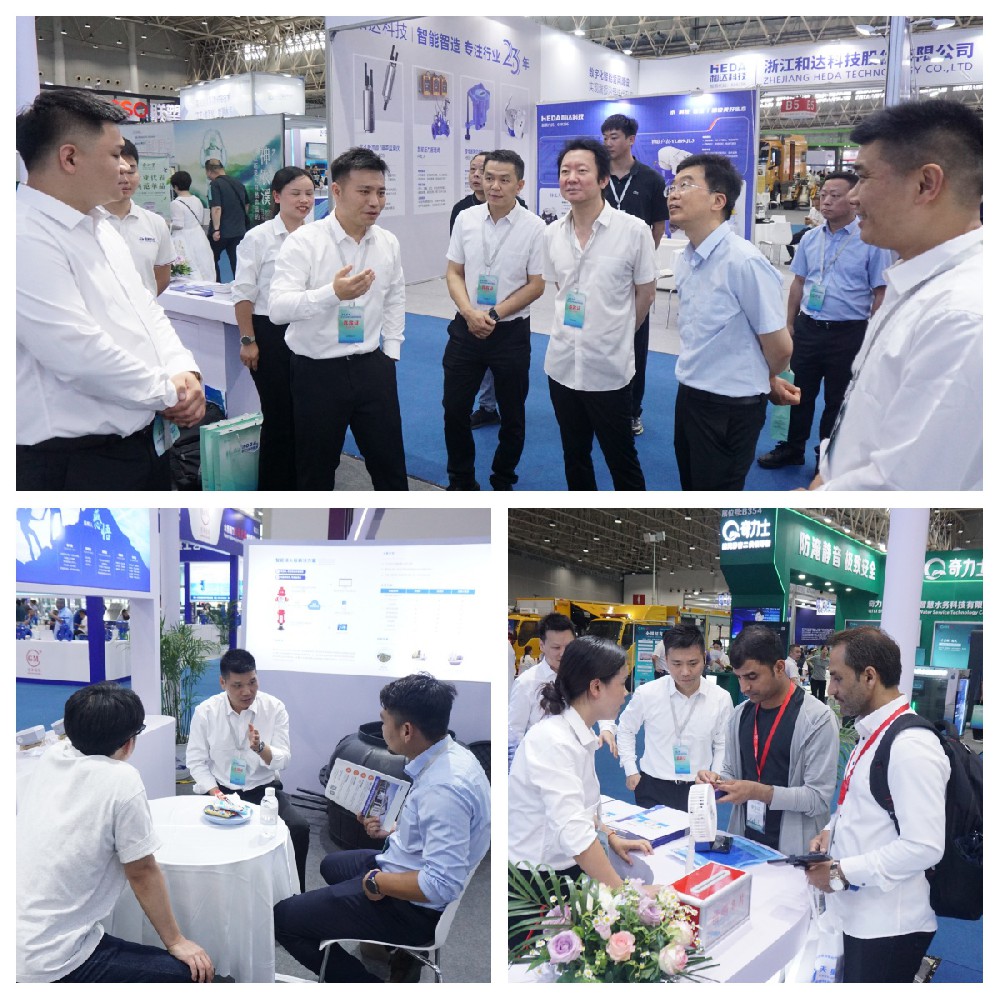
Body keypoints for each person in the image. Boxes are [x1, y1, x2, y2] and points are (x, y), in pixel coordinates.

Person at [16, 90, 205, 489]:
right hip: (72, 461)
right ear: (70, 158)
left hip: (139, 441)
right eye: (115, 154)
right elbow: (76, 352)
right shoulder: (23, 235)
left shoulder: (100, 227)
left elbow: (146, 311)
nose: (124, 168)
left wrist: (182, 369)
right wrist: (167, 393)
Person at [273, 673, 490, 982]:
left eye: (384, 720)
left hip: (414, 909)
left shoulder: (444, 790)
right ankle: (385, 947)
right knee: (331, 865)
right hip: (405, 865)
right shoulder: (452, 755)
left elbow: (441, 884)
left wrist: (378, 882)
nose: (382, 727)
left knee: (282, 920)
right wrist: (393, 830)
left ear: (406, 730)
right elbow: (436, 831)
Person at [811, 100, 982, 490]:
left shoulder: (962, 315)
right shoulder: (919, 281)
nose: (853, 198)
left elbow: (906, 483)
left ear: (926, 184)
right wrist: (827, 472)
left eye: (864, 178)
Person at [17, 682, 214, 983]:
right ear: (129, 743)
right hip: (48, 959)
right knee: (190, 975)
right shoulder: (122, 779)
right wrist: (176, 941)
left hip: (16, 937)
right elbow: (142, 872)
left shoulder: (52, 757)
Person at [804, 628, 949, 983]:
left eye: (838, 677)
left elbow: (925, 846)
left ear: (869, 676)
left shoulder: (910, 746)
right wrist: (831, 830)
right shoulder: (875, 733)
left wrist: (840, 873)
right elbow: (862, 803)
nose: (831, 689)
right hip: (859, 913)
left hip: (888, 926)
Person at [270, 146, 408, 490]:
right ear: (337, 191)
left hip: (372, 367)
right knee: (315, 471)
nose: (374, 202)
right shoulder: (304, 242)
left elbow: (395, 295)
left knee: (390, 466)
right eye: (364, 191)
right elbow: (278, 309)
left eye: (381, 192)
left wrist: (391, 350)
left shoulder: (387, 242)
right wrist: (333, 293)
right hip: (317, 372)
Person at [508, 636, 653, 945]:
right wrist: (625, 894)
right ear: (596, 687)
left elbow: (579, 809)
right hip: (536, 885)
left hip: (564, 872)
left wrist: (610, 836)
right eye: (622, 683)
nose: (626, 693)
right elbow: (574, 831)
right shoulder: (552, 740)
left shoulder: (576, 734)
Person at [668, 153, 799, 490]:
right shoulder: (687, 258)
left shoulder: (743, 262)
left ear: (718, 201)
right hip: (690, 395)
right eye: (673, 186)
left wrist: (764, 379)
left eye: (686, 185)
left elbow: (780, 348)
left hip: (730, 408)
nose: (673, 194)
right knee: (691, 489)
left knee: (715, 499)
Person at [757, 171, 891, 475]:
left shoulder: (870, 241)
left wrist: (873, 336)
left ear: (854, 200)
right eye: (823, 194)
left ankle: (827, 457)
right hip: (808, 327)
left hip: (849, 332)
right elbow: (798, 282)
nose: (826, 201)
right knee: (796, 391)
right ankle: (791, 448)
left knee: (837, 399)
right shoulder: (810, 237)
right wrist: (789, 323)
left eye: (835, 195)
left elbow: (880, 293)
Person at [544, 138, 656, 490]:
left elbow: (645, 293)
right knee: (574, 456)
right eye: (565, 171)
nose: (571, 178)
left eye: (582, 170)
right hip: (562, 365)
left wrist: (618, 333)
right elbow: (561, 288)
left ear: (603, 179)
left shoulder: (633, 231)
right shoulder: (552, 233)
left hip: (608, 370)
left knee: (621, 459)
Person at [444, 149, 546, 491]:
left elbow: (536, 285)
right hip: (466, 327)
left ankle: (503, 479)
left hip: (510, 332)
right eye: (489, 178)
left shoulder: (535, 227)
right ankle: (461, 480)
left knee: (513, 414)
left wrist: (493, 313)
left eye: (504, 180)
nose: (494, 186)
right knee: (454, 409)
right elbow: (454, 272)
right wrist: (468, 312)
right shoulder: (466, 219)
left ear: (520, 184)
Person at [696, 624, 838, 855]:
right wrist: (717, 781)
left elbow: (817, 799)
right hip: (745, 841)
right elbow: (732, 772)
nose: (744, 687)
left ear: (779, 667)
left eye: (752, 676)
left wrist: (759, 792)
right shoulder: (739, 716)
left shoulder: (817, 719)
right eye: (739, 678)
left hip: (794, 850)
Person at [186, 648, 310, 893]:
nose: (247, 691)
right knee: (202, 834)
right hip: (220, 790)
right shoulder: (206, 712)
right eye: (238, 685)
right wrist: (214, 792)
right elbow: (196, 761)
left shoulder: (274, 708)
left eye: (252, 682)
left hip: (263, 790)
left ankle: (296, 896)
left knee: (298, 827)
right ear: (223, 683)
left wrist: (261, 748)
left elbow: (284, 759)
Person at [232, 166, 316, 490]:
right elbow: (244, 293)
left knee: (307, 414)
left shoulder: (317, 235)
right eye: (296, 193)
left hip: (308, 332)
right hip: (269, 333)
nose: (304, 200)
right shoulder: (258, 238)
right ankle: (274, 489)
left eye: (309, 193)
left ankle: (303, 485)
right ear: (277, 196)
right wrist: (248, 340)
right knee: (279, 415)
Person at [604, 624, 733, 812]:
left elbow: (723, 743)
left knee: (697, 832)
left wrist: (716, 774)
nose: (685, 672)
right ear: (666, 660)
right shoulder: (648, 693)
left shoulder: (720, 698)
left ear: (704, 659)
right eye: (677, 664)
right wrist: (630, 769)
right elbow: (626, 728)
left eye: (693, 663)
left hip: (698, 788)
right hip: (653, 785)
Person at [601, 113, 670, 437]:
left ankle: (631, 411)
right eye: (604, 137)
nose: (608, 143)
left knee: (634, 343)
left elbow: (658, 226)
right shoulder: (597, 176)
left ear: (631, 140)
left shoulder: (651, 179)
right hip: (601, 273)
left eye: (614, 137)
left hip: (635, 277)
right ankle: (600, 404)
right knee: (599, 339)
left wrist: (641, 263)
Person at [449, 153, 499, 430]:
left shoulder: (518, 209)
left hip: (504, 300)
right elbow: (457, 260)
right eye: (473, 169)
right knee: (470, 355)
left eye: (483, 171)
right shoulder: (461, 211)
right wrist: (465, 304)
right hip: (469, 297)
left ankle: (490, 405)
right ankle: (485, 405)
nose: (477, 175)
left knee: (497, 356)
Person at [102, 140, 176, 297]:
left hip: (144, 311)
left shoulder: (155, 223)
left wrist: (141, 303)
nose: (125, 179)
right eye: (118, 171)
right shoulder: (87, 221)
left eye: (131, 171)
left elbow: (162, 277)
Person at [507, 612, 576, 751]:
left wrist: (607, 729)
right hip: (541, 759)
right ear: (542, 645)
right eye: (556, 647)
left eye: (568, 646)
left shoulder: (580, 675)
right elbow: (513, 734)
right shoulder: (526, 683)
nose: (563, 653)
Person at [204, 157, 248, 281]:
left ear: (209, 171)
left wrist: (216, 229)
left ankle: (216, 284)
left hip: (222, 232)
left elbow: (216, 208)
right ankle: (240, 287)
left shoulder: (214, 184)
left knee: (211, 259)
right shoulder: (238, 183)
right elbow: (246, 205)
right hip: (239, 230)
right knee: (237, 263)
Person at [168, 170, 215, 283]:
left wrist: (167, 224)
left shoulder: (176, 203)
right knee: (203, 262)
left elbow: (179, 225)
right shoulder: (197, 200)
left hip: (183, 237)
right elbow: (201, 219)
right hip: (198, 235)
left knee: (188, 265)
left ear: (175, 186)